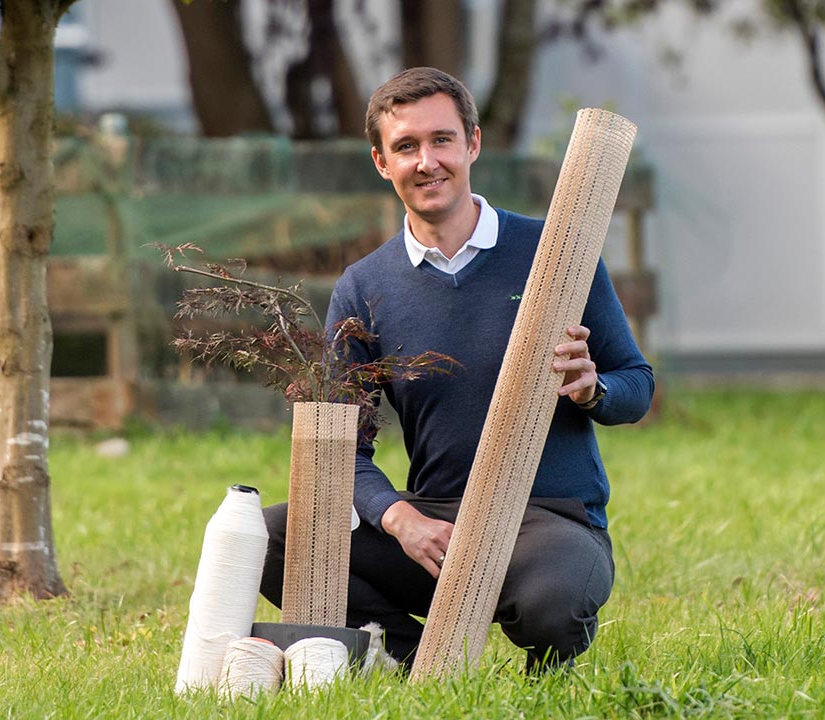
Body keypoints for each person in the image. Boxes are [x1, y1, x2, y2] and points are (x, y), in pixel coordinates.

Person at [259, 67, 655, 671]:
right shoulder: (364, 287)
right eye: (406, 147)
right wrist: (400, 519)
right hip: (437, 526)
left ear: (472, 143)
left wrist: (591, 388)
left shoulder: (557, 252)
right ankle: (412, 661)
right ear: (380, 162)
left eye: (442, 140)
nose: (427, 161)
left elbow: (637, 385)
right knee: (272, 537)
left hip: (546, 521)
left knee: (553, 603)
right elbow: (339, 451)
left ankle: (547, 658)